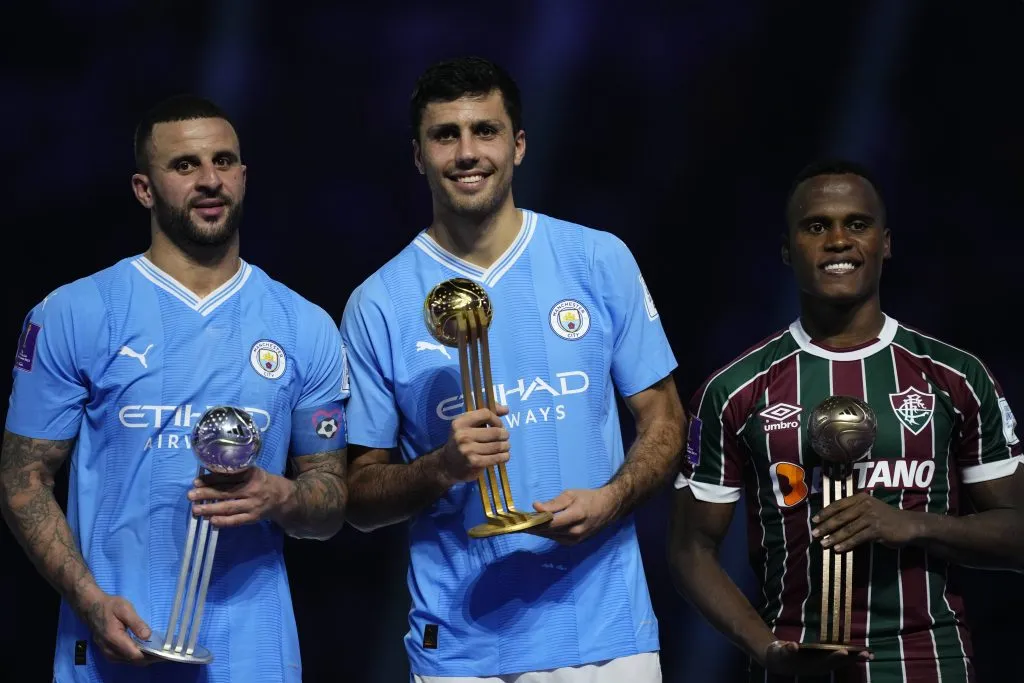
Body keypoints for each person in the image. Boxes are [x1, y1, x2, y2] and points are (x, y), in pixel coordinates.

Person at [340, 56, 685, 682]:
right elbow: (359, 498)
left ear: (518, 145)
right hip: (460, 648)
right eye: (446, 135)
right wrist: (441, 467)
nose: (467, 152)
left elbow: (664, 416)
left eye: (486, 130)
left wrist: (611, 500)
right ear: (419, 156)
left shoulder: (596, 259)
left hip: (604, 635)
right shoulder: (378, 303)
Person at [0, 94, 349, 683]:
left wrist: (282, 497)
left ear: (243, 176)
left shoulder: (305, 325)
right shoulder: (74, 313)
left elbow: (332, 501)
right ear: (144, 188)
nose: (209, 180)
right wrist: (87, 599)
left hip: (256, 655)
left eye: (223, 161)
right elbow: (22, 479)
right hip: (111, 644)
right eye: (185, 166)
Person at [668, 160, 1024, 682]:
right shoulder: (734, 390)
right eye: (817, 226)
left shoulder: (955, 377)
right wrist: (767, 649)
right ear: (787, 250)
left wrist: (914, 524)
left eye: (857, 224)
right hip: (793, 665)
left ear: (885, 243)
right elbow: (688, 550)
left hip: (927, 661)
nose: (838, 240)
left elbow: (1017, 535)